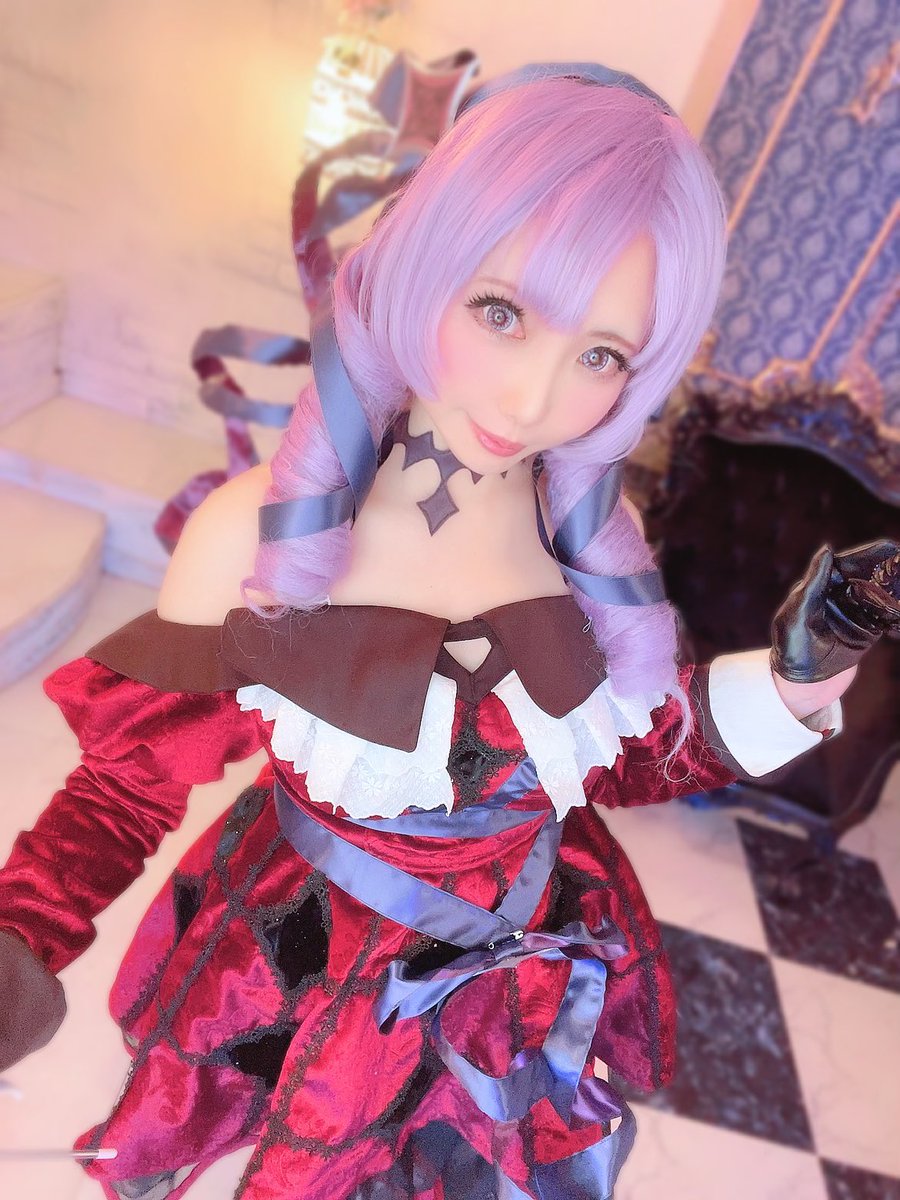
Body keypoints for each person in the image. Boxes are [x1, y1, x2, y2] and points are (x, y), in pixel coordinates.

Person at [0, 65, 893, 1200]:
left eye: (602, 356)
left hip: (518, 998)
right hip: (303, 970)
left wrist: (794, 680)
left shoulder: (590, 553)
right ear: (428, 266)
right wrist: (17, 944)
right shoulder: (254, 540)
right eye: (503, 312)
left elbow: (614, 766)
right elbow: (123, 793)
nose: (530, 402)